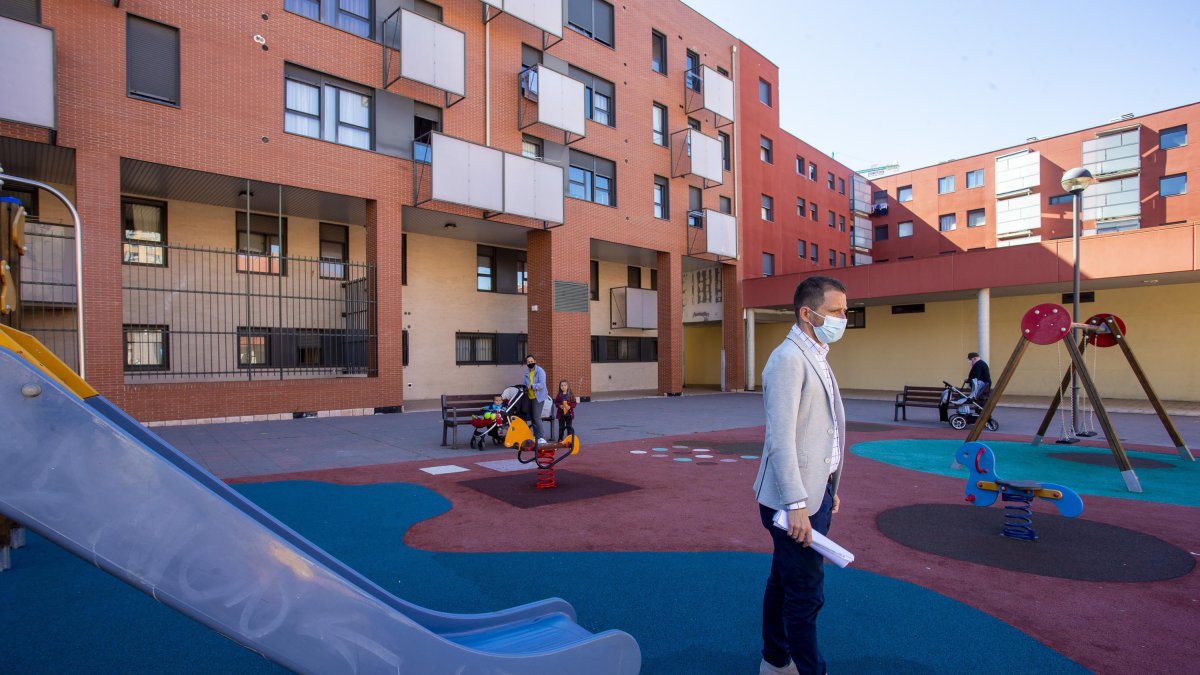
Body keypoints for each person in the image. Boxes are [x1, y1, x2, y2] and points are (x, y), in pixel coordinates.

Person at [753, 275, 848, 675]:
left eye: (845, 309)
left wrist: (829, 484)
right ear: (807, 313)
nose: (844, 317)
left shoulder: (817, 354)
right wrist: (798, 504)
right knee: (805, 592)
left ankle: (775, 659)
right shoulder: (788, 359)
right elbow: (781, 437)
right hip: (792, 501)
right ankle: (809, 669)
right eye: (836, 311)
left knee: (783, 580)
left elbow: (819, 430)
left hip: (814, 492)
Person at [521, 354, 548, 441]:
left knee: (536, 417)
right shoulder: (527, 373)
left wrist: (532, 386)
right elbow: (525, 384)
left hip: (538, 397)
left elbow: (542, 384)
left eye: (531, 361)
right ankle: (536, 435)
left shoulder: (540, 371)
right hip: (530, 397)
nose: (530, 363)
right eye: (528, 362)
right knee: (532, 417)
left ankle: (542, 437)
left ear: (535, 361)